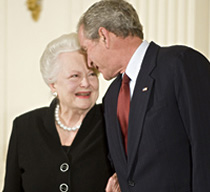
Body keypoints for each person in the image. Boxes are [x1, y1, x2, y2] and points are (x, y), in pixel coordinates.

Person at [77, 0, 210, 191]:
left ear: (104, 36)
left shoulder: (179, 64)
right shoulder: (112, 96)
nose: (89, 62)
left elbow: (205, 147)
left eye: (86, 49)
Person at [3, 32, 117, 192]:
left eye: (92, 74)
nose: (86, 83)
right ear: (53, 84)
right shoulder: (25, 127)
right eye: (75, 76)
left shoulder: (112, 122)